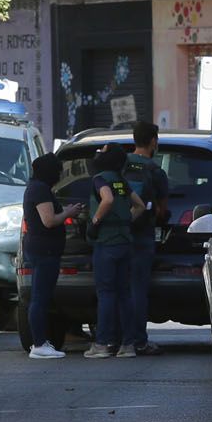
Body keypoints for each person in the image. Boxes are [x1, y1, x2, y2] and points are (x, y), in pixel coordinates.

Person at [82, 144, 136, 359]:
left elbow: (108, 199)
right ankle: (128, 344)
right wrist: (125, 220)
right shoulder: (122, 181)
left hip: (106, 242)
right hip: (125, 241)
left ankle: (103, 343)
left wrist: (95, 221)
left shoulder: (100, 179)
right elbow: (139, 205)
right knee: (124, 293)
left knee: (106, 293)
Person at [123, 122, 171, 357]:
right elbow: (163, 210)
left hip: (117, 237)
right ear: (153, 141)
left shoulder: (120, 165)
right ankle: (138, 340)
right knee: (138, 290)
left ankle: (115, 339)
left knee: (115, 290)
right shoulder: (155, 171)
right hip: (143, 237)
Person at [21, 154, 69, 359]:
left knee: (40, 297)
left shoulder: (36, 187)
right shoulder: (40, 189)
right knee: (39, 298)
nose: (59, 175)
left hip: (40, 248)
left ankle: (41, 342)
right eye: (58, 171)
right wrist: (69, 212)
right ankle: (39, 344)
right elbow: (49, 221)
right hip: (44, 250)